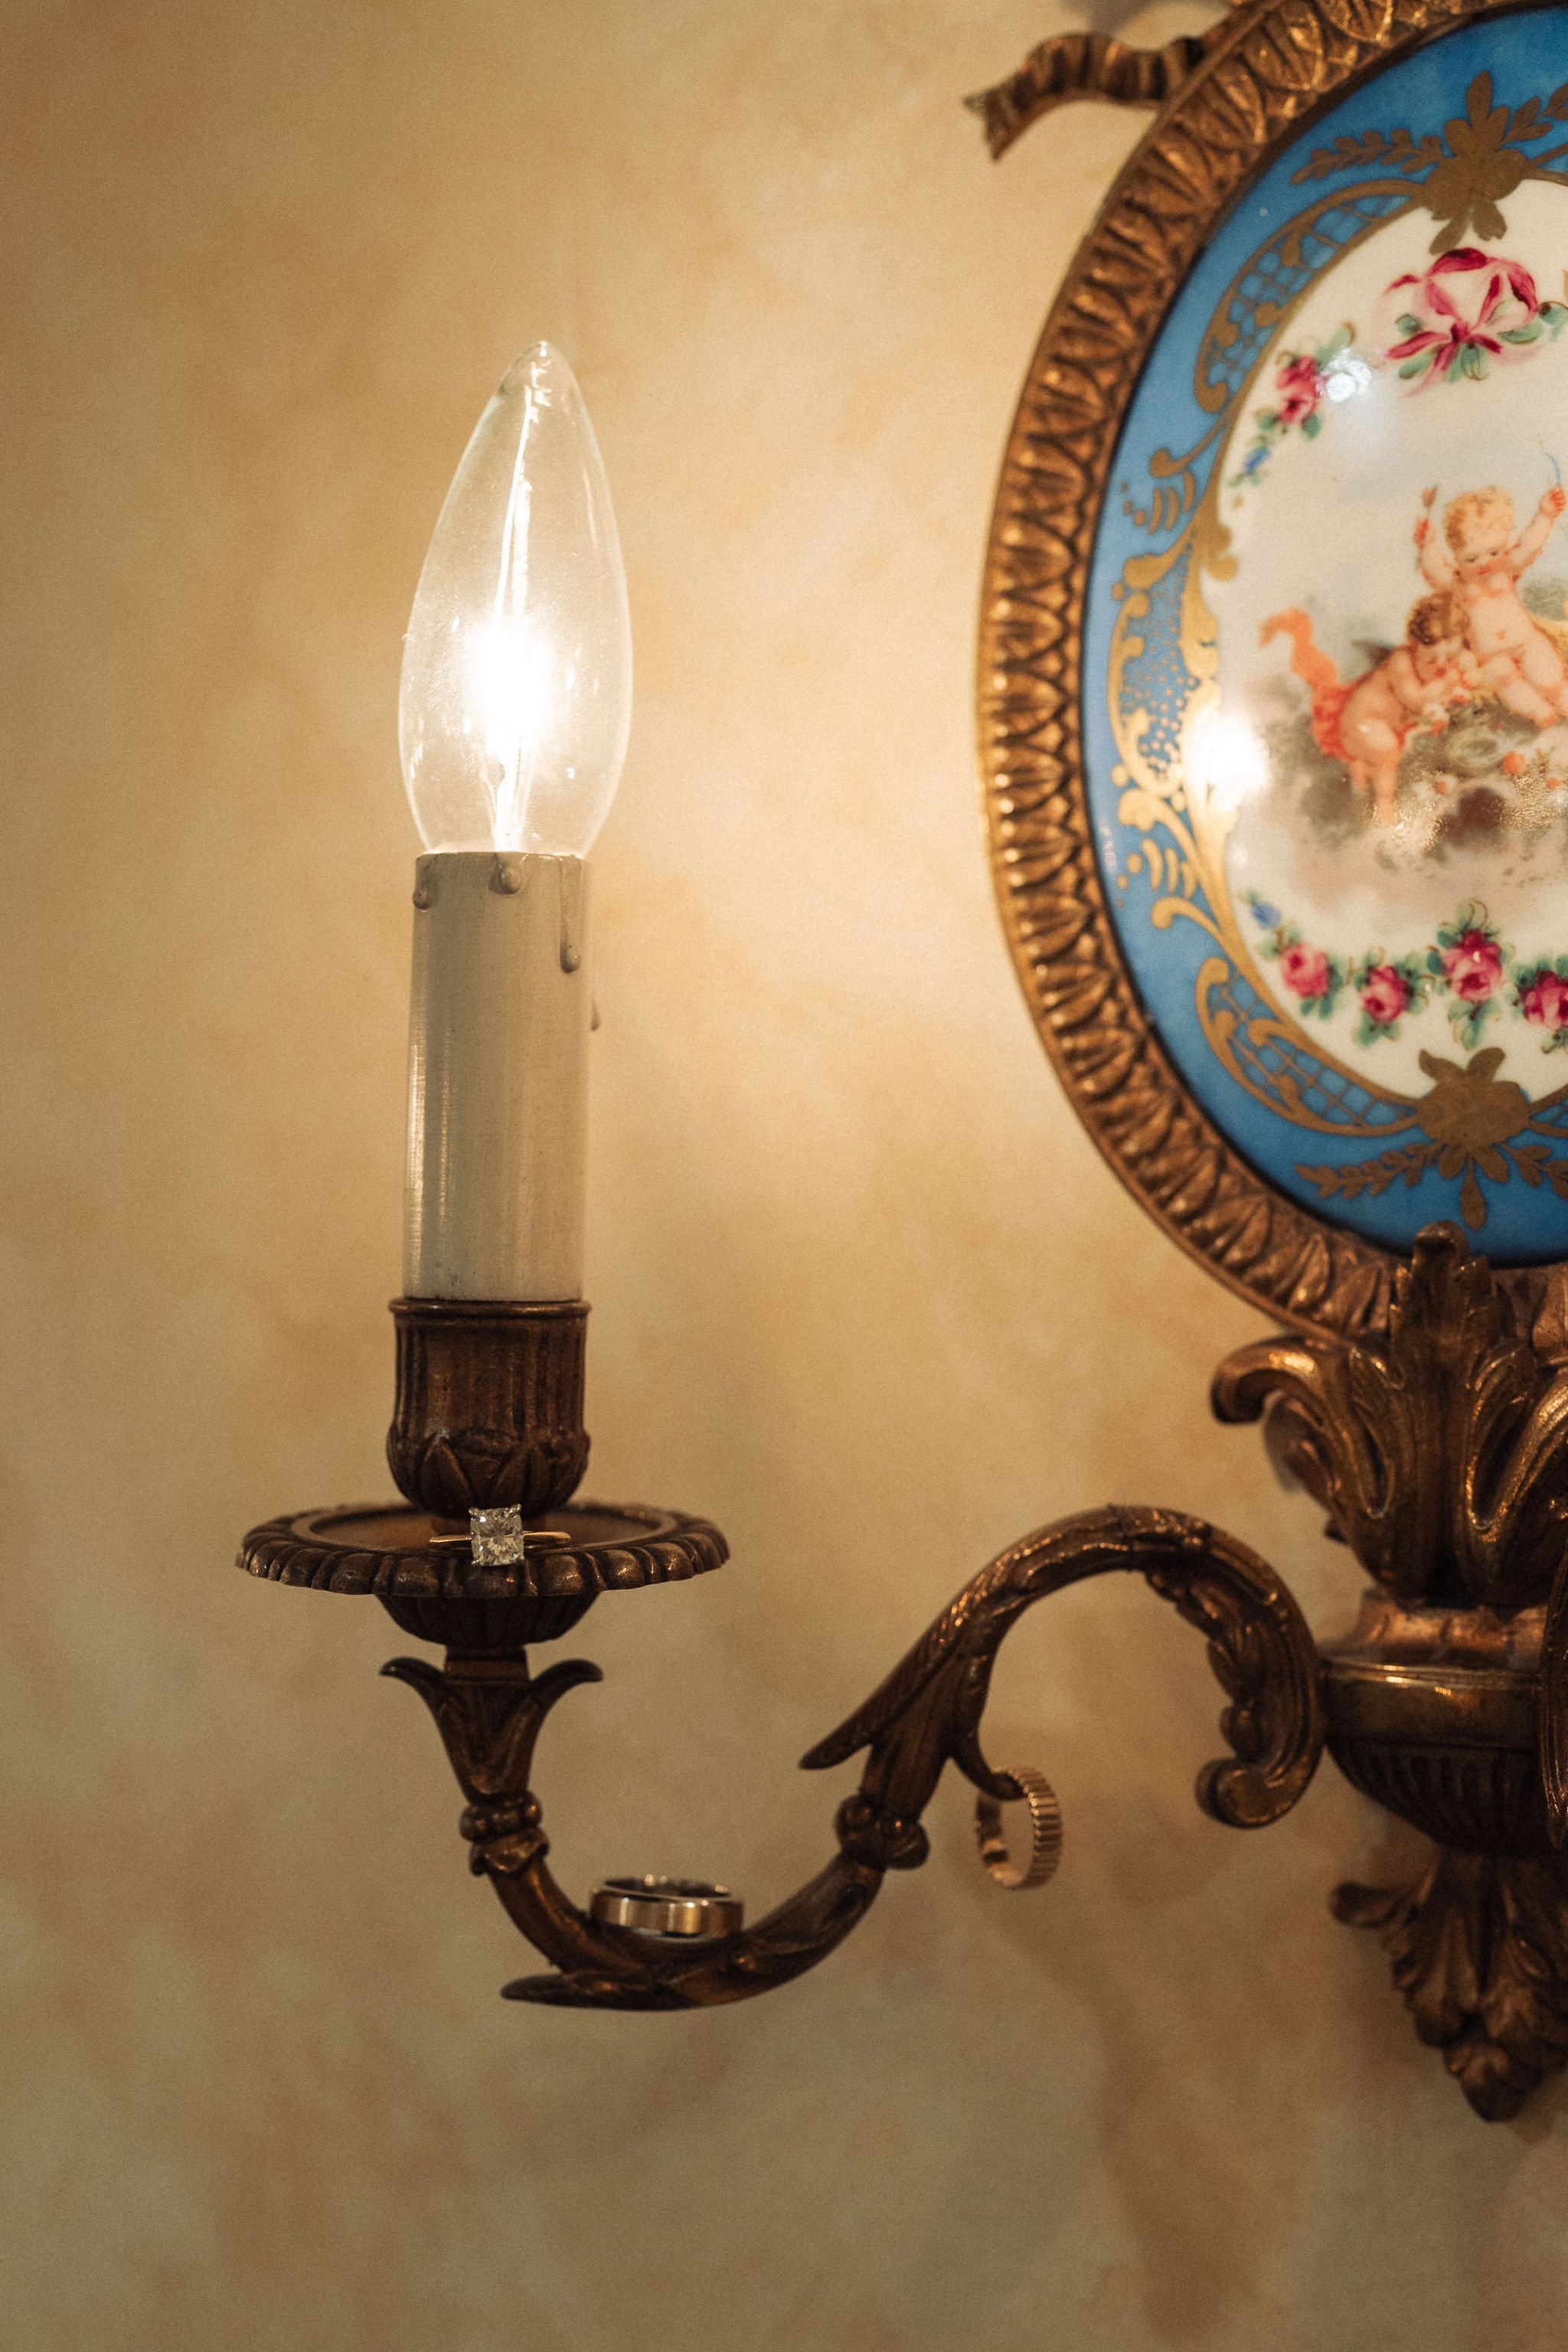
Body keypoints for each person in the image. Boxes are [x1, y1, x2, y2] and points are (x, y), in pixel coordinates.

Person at [1261, 592, 1478, 823]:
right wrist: (1448, 682)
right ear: (1414, 646)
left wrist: (1466, 670)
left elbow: (1468, 667)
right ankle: (1384, 806)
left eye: (1451, 655)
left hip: (1387, 724)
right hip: (1363, 722)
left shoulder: (1447, 656)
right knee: (1388, 752)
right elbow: (1415, 700)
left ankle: (1361, 774)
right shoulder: (1401, 662)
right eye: (1432, 660)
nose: (1443, 664)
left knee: (1398, 750)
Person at [1416, 482, 1568, 727]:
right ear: (1456, 554)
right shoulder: (1458, 583)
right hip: (1490, 655)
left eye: (1494, 552)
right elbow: (1435, 571)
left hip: (1525, 640)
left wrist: (1546, 514)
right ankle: (1536, 708)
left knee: (1547, 671)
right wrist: (1428, 545)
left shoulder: (1506, 568)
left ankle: (1562, 696)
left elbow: (1530, 545)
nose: (1484, 563)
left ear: (1504, 544)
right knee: (1505, 678)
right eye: (1472, 558)